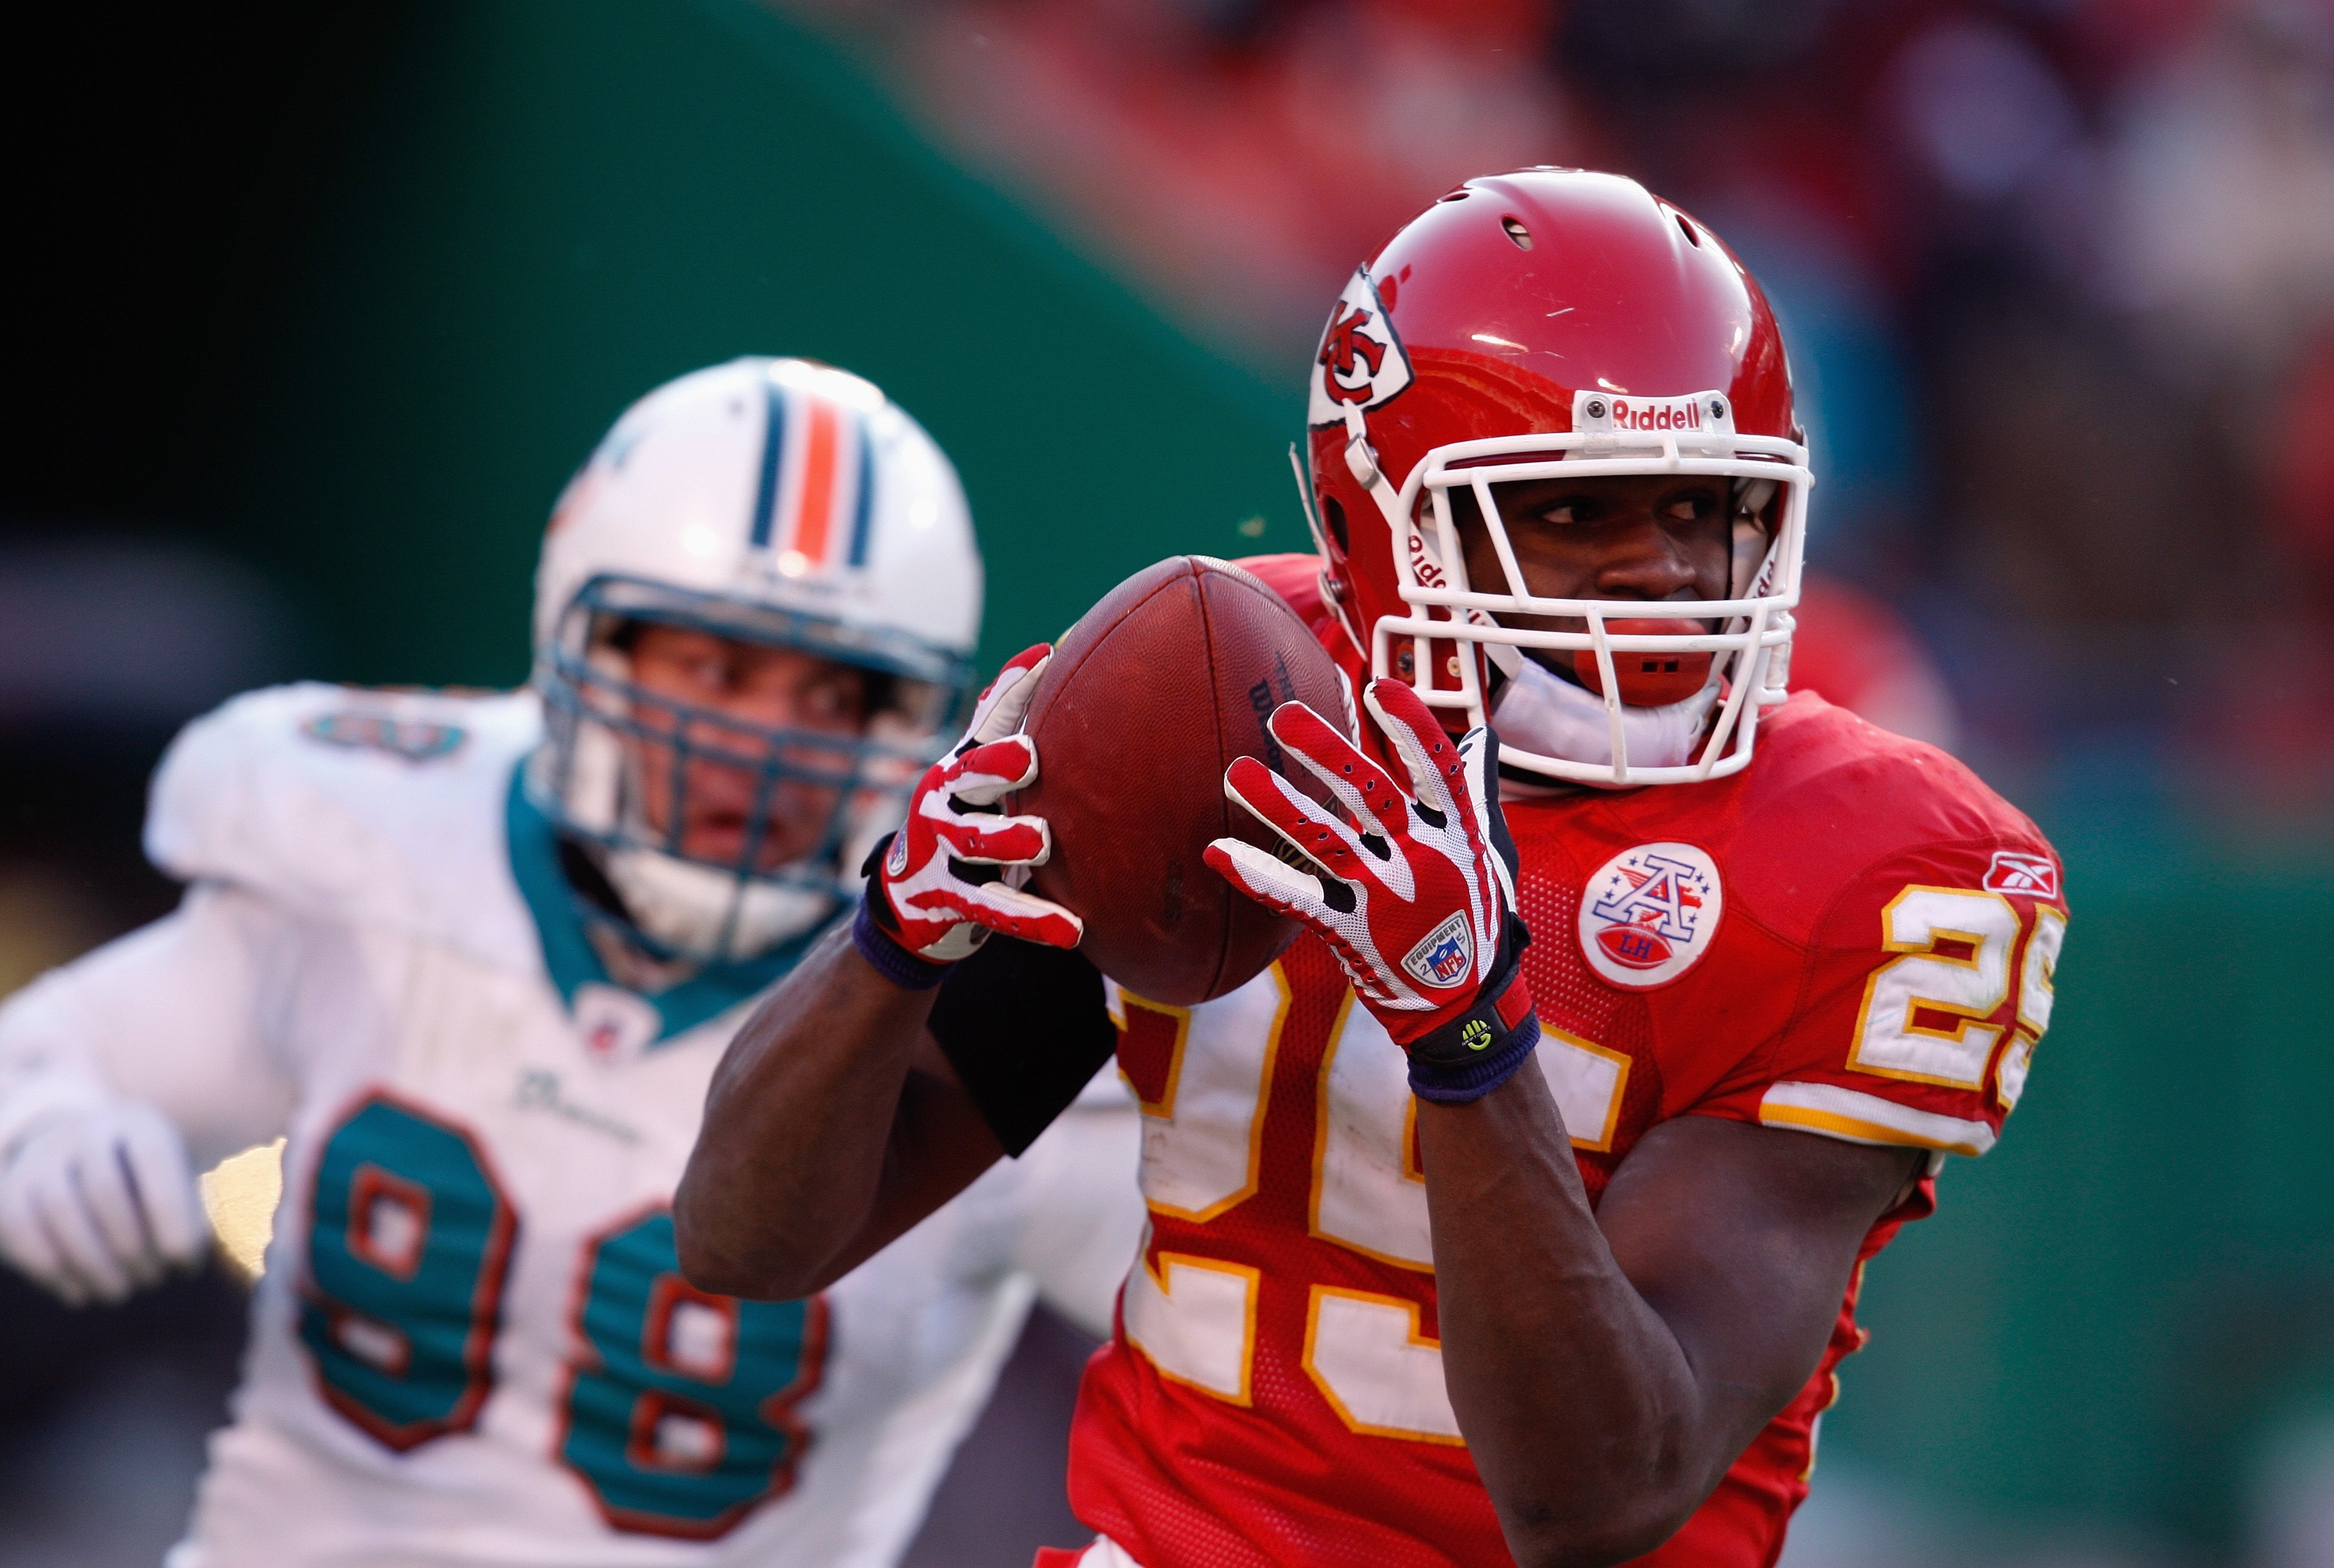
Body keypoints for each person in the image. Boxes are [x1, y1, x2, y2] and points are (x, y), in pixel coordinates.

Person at [675, 172, 2070, 1568]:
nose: (1660, 574)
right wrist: (891, 945)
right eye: (1581, 515)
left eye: (1704, 508)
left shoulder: (1877, 864)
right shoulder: (1218, 706)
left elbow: (1601, 1497)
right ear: (1373, 524)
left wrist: (1468, 1032)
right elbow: (749, 1245)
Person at [0, 357, 1142, 1566]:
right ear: (578, 638)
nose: (765, 741)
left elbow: (1237, 1350)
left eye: (841, 692)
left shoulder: (986, 1017)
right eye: (716, 666)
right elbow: (52, 1064)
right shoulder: (379, 847)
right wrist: (50, 1131)